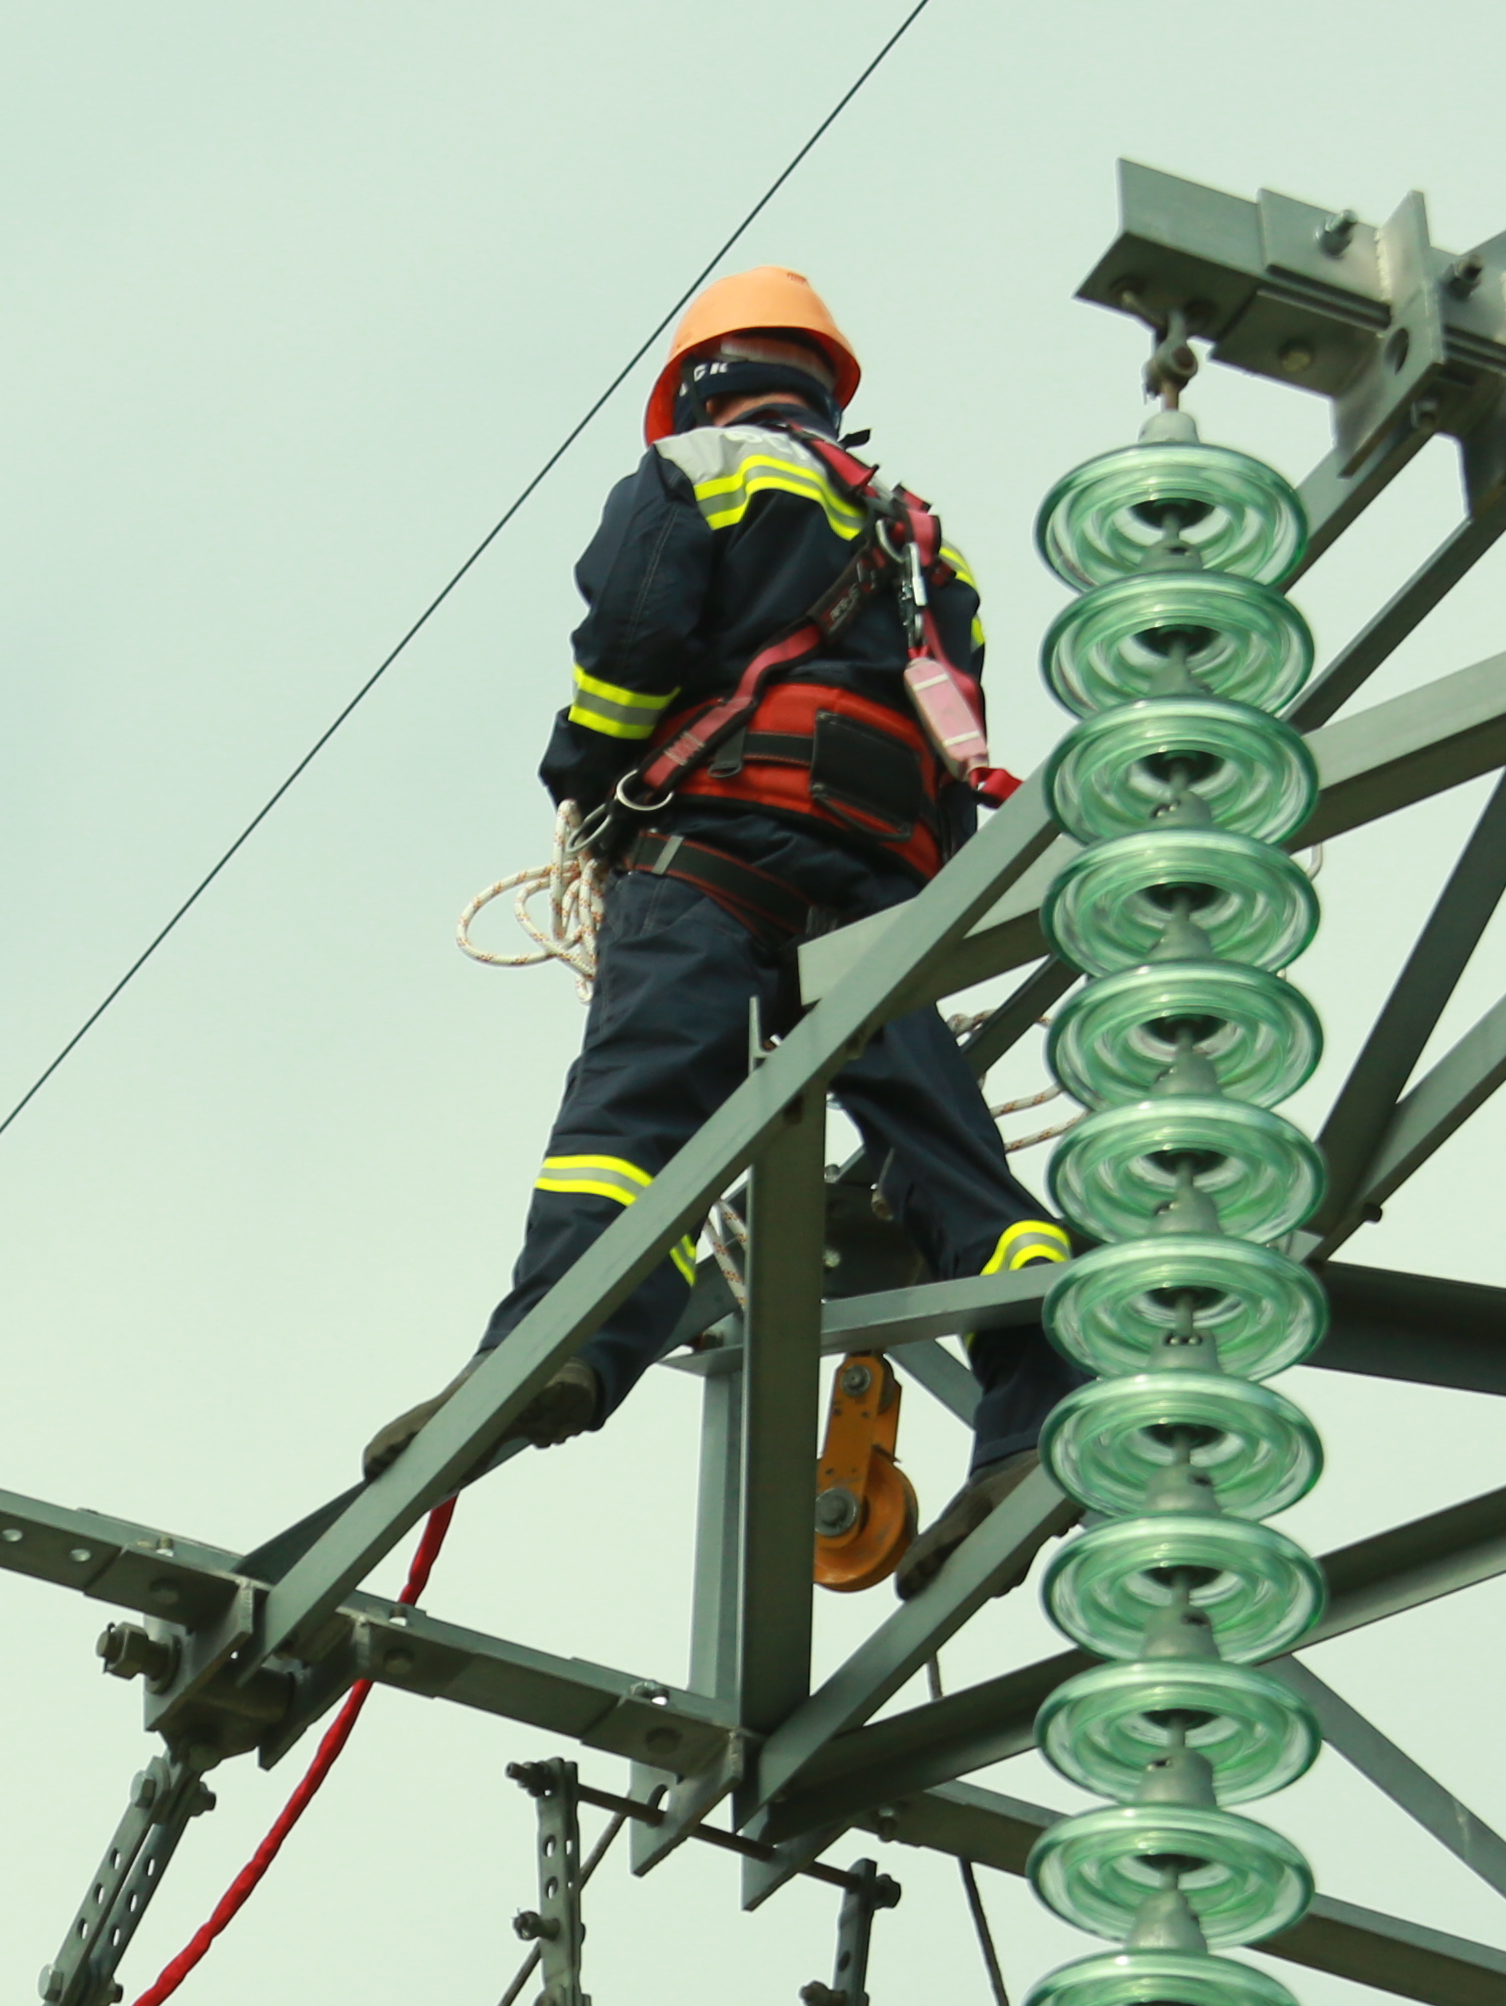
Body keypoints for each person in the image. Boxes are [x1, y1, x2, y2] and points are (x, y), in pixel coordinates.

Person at [358, 266, 1075, 1582]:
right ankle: (1038, 1401)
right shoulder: (919, 535)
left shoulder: (702, 466)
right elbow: (955, 708)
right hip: (881, 873)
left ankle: (562, 1344)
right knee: (938, 1141)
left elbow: (632, 632)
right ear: (824, 383)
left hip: (718, 850)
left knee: (637, 1111)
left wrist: (593, 774)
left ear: (698, 377)